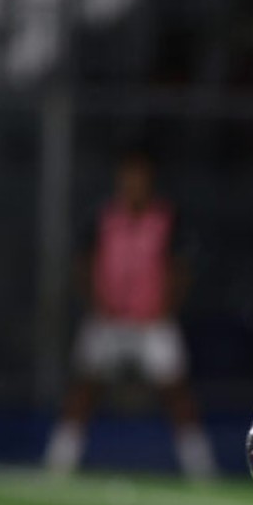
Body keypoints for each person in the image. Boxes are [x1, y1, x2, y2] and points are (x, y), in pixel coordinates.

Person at [44, 150, 217, 479]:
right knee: (84, 390)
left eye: (139, 177)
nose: (133, 184)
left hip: (152, 322)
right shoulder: (102, 216)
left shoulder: (167, 218)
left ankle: (200, 469)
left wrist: (166, 307)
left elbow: (181, 268)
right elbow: (82, 263)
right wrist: (95, 303)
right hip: (107, 321)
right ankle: (58, 463)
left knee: (176, 393)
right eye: (128, 177)